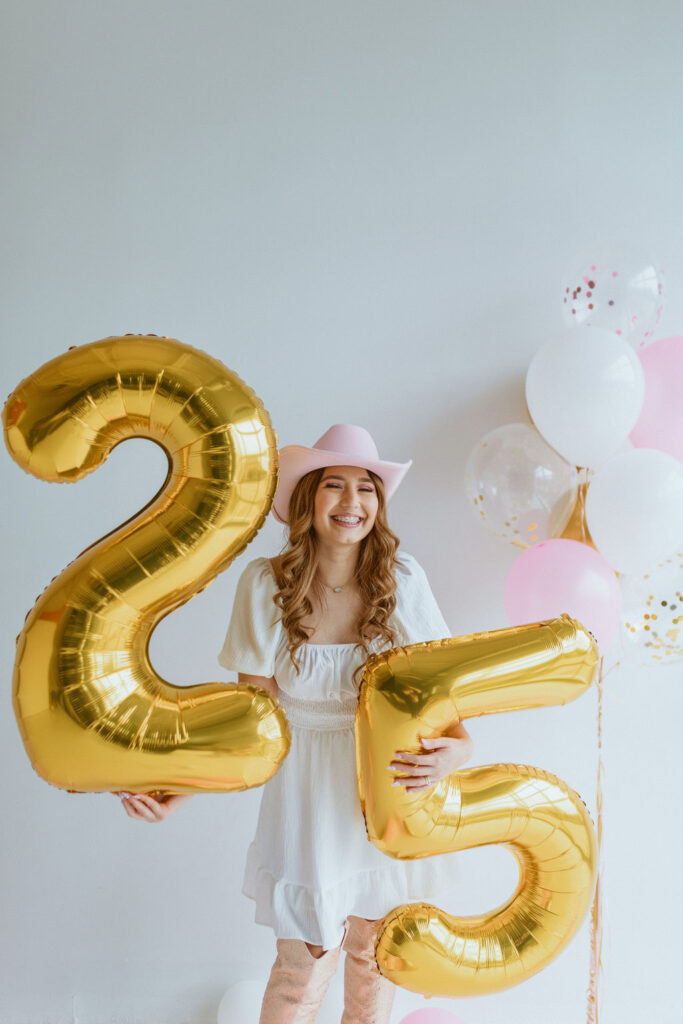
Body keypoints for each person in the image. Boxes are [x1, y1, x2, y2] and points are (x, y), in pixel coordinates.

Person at [118, 424, 474, 1024]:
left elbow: (441, 695)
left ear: (378, 505)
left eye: (366, 488)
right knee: (302, 964)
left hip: (383, 784)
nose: (351, 502)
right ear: (307, 497)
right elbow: (250, 722)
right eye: (335, 485)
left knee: (373, 955)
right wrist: (176, 793)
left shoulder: (402, 579)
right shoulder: (266, 585)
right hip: (305, 794)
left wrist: (455, 753)